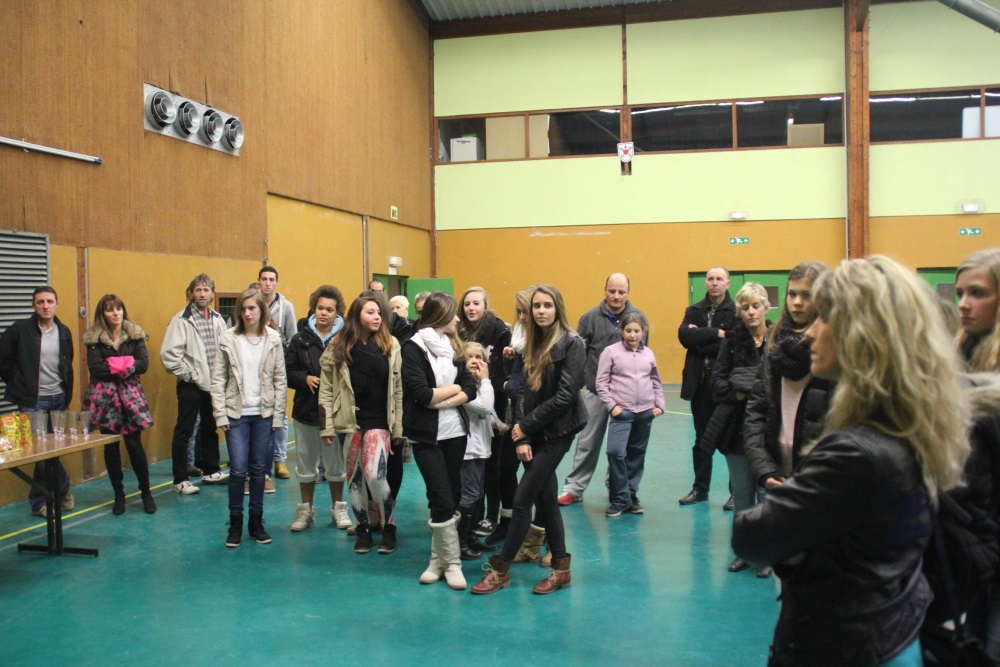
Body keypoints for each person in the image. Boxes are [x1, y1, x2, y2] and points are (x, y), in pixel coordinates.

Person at [733, 256, 971, 667]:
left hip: (852, 642)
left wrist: (797, 533)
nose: (811, 332)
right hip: (893, 628)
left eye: (825, 318)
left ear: (862, 334)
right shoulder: (908, 425)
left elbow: (754, 536)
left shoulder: (856, 453)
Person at [472, 285, 588, 595]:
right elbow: (521, 390)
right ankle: (561, 569)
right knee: (546, 498)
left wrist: (525, 426)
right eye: (536, 306)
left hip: (559, 431)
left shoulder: (571, 343)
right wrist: (522, 433)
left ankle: (500, 570)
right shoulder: (532, 341)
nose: (541, 311)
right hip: (533, 429)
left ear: (557, 308)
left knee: (523, 499)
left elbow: (565, 396)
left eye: (547, 305)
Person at [401, 292, 477, 590]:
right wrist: (453, 391)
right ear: (440, 315)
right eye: (453, 313)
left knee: (451, 496)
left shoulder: (455, 346)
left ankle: (438, 561)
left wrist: (445, 398)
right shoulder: (413, 347)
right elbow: (422, 394)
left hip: (455, 433)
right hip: (426, 436)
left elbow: (470, 388)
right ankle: (453, 563)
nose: (458, 318)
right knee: (441, 496)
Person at [319, 294, 404, 555]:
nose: (377, 317)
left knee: (374, 474)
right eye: (370, 312)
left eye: (379, 312)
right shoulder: (338, 344)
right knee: (354, 479)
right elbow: (326, 388)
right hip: (350, 422)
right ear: (357, 316)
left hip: (380, 422)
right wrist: (326, 427)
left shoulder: (390, 344)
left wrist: (398, 428)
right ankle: (363, 530)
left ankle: (388, 527)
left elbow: (398, 389)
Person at [743, 262, 832, 496]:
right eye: (792, 294)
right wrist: (764, 468)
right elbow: (756, 410)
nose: (797, 302)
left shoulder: (832, 347)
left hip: (819, 480)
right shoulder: (774, 342)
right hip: (777, 471)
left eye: (807, 295)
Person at [557, 273, 646, 506]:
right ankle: (574, 488)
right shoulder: (589, 318)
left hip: (627, 396)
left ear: (628, 293)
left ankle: (618, 488)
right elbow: (578, 354)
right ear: (604, 290)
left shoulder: (638, 318)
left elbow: (643, 355)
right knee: (587, 442)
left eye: (621, 292)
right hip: (596, 393)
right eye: (612, 291)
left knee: (621, 446)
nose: (616, 296)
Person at [704, 282, 771, 575]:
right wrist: (739, 392)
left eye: (756, 306)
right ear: (739, 311)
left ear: (766, 307)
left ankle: (765, 554)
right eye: (745, 307)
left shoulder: (779, 341)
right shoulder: (731, 342)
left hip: (770, 431)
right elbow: (717, 381)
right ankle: (743, 551)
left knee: (766, 494)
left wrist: (751, 385)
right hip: (736, 431)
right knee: (743, 494)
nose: (751, 312)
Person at [212, 288, 287, 548]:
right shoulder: (228, 338)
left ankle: (256, 522)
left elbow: (280, 379)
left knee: (258, 470)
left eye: (252, 308)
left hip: (264, 414)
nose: (247, 313)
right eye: (243, 309)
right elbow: (218, 379)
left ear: (261, 310)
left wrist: (278, 417)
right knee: (237, 469)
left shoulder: (273, 339)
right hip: (236, 414)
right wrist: (220, 413)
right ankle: (235, 523)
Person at [0, 286, 75, 516]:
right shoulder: (19, 330)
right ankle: (61, 489)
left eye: (49, 301)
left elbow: (67, 362)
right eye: (40, 302)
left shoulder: (64, 331)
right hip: (33, 401)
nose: (45, 306)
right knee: (40, 450)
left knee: (52, 450)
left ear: (57, 304)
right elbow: (3, 361)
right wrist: (19, 385)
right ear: (33, 305)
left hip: (58, 398)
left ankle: (39, 499)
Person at [81, 295, 156, 515]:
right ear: (102, 313)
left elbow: (143, 364)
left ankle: (146, 493)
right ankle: (119, 495)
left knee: (134, 446)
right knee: (111, 447)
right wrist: (126, 363)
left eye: (118, 308)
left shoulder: (135, 334)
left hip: (130, 397)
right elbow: (96, 368)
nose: (115, 313)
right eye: (109, 309)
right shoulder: (94, 338)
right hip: (105, 400)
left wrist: (115, 364)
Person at [286, 285, 351, 533]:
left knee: (336, 464)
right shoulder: (299, 339)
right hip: (306, 411)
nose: (324, 313)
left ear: (337, 312)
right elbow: (288, 371)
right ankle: (305, 511)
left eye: (330, 310)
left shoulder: (346, 339)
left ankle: (339, 509)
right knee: (305, 462)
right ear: (314, 308)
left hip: (336, 414)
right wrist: (304, 379)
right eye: (320, 308)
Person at [160, 274, 228, 495]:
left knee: (210, 427)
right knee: (185, 430)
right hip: (190, 384)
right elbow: (169, 355)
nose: (202, 294)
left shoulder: (218, 319)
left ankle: (212, 470)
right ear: (191, 293)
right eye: (198, 290)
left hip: (213, 384)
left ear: (212, 293)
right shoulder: (181, 320)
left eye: (206, 290)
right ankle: (180, 479)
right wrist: (190, 375)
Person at [677, 267, 737, 507]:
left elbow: (734, 339)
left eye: (719, 279)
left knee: (732, 440)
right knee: (702, 440)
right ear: (705, 283)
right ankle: (700, 489)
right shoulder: (694, 310)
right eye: (711, 279)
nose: (714, 283)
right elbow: (685, 338)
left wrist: (701, 338)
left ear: (727, 283)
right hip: (700, 386)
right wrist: (717, 334)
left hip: (726, 387)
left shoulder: (735, 311)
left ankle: (737, 492)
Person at [595, 311, 664, 518]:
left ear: (643, 332)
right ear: (622, 331)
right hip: (621, 412)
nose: (633, 335)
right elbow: (601, 382)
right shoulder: (610, 352)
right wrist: (612, 406)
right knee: (615, 452)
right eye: (628, 331)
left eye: (636, 331)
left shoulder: (648, 354)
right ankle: (619, 497)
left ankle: (630, 496)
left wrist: (659, 405)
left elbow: (655, 380)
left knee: (636, 455)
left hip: (645, 413)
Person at [458, 286, 511, 536]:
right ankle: (471, 517)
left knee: (491, 465)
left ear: (485, 306)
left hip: (493, 397)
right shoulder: (457, 331)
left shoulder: (499, 331)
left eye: (476, 303)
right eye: (467, 303)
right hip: (467, 400)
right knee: (469, 471)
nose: (471, 308)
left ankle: (491, 515)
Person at [458, 341, 506, 559]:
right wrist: (486, 380)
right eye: (469, 357)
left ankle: (470, 537)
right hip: (467, 449)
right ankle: (460, 541)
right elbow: (484, 407)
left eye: (479, 357)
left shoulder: (478, 387)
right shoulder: (463, 387)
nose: (475, 361)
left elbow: (490, 413)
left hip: (480, 448)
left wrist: (501, 425)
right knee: (469, 494)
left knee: (477, 493)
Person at [258, 266, 295, 481]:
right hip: (256, 367)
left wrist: (284, 364)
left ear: (276, 282)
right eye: (264, 279)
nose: (267, 283)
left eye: (271, 279)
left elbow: (292, 337)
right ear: (259, 281)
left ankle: (280, 459)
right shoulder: (252, 303)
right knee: (258, 413)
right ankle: (260, 460)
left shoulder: (285, 307)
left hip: (277, 366)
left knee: (280, 413)